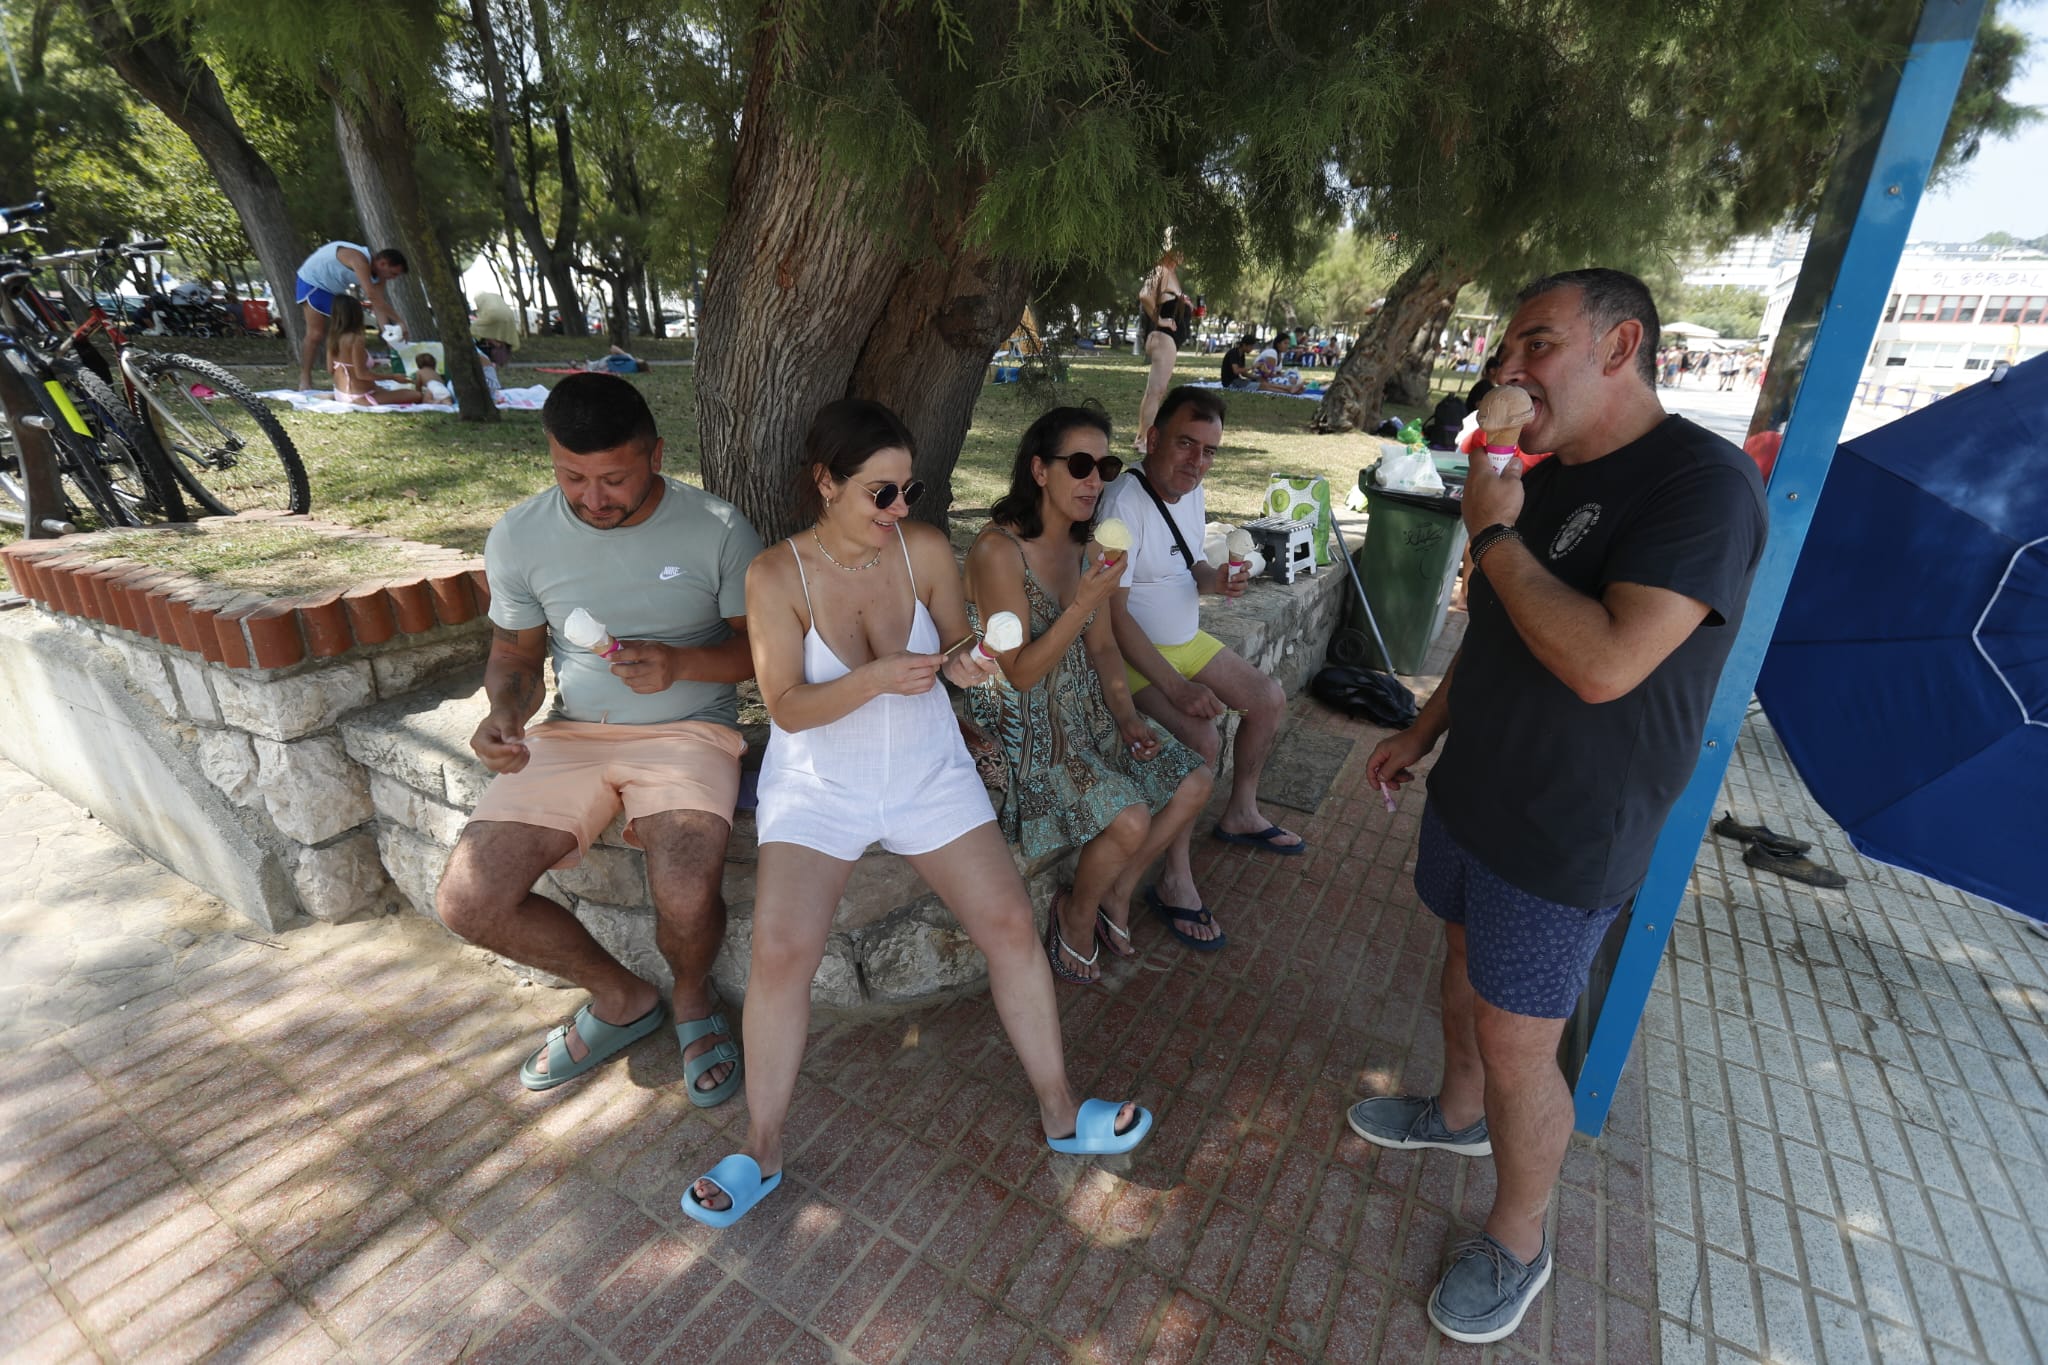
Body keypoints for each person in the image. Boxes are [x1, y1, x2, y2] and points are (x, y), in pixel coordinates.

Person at [1350, 268, 1767, 1345]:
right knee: (1456, 962)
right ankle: (1450, 1119)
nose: (1509, 368)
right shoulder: (1546, 473)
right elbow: (1499, 635)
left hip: (1566, 827)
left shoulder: (1699, 486)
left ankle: (1519, 1241)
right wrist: (1419, 729)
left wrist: (1491, 534)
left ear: (1619, 345)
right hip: (1473, 788)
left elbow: (1603, 665)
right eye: (1506, 349)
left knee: (1519, 1045)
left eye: (1535, 344)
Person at [683, 399, 1151, 1227]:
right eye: (881, 493)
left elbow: (960, 658)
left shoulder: (924, 548)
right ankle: (762, 1145)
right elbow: (786, 707)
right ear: (826, 483)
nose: (900, 510)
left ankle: (1059, 1108)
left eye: (910, 490)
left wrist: (970, 663)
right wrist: (878, 676)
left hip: (929, 770)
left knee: (1009, 923)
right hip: (821, 783)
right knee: (783, 951)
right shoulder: (774, 575)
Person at [434, 373, 763, 1106]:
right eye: (570, 476)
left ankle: (689, 997)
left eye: (613, 476)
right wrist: (505, 713)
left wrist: (682, 663)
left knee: (682, 890)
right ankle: (620, 997)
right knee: (468, 901)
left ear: (655, 454)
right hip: (572, 732)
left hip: (690, 733)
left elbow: (763, 651)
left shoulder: (717, 527)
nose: (592, 497)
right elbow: (516, 658)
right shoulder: (521, 534)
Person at [963, 406, 1214, 983]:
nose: (1094, 480)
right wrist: (1083, 599)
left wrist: (1127, 717)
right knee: (1127, 820)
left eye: (1104, 465)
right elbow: (1020, 673)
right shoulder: (998, 552)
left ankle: (1116, 892)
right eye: (1079, 464)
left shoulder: (1087, 547)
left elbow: (1102, 648)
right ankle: (1076, 915)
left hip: (1088, 713)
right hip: (1028, 726)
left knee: (1195, 779)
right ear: (1039, 471)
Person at [1103, 384, 1304, 903]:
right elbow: (1113, 614)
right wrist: (1175, 688)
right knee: (1204, 739)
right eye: (1186, 444)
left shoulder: (1191, 491)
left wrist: (1217, 579)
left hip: (1186, 640)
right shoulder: (1122, 506)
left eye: (1209, 450)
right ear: (1152, 440)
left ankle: (1240, 812)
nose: (1197, 462)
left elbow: (1190, 565)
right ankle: (1174, 874)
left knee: (1268, 699)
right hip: (1137, 658)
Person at [294, 240, 409, 392]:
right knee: (315, 334)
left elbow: (378, 304)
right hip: (314, 282)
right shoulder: (359, 259)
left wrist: (387, 332)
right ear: (382, 263)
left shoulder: (379, 277)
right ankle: (305, 376)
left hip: (333, 290)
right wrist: (401, 322)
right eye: (393, 273)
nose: (392, 278)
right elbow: (371, 295)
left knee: (349, 332)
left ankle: (349, 376)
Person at [1136, 251, 1192, 454]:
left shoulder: (1170, 273)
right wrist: (1159, 319)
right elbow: (1144, 295)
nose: (1182, 253)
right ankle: (1144, 442)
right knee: (1156, 391)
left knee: (1154, 391)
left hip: (1167, 338)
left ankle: (1141, 436)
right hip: (1163, 337)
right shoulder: (1160, 270)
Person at [325, 297, 425, 406]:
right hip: (360, 396)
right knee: (416, 395)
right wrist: (393, 377)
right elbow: (361, 374)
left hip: (341, 393)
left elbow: (331, 369)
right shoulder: (355, 339)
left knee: (387, 391)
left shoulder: (332, 338)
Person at [472, 291, 520, 367]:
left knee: (474, 330)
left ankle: (491, 360)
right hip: (508, 317)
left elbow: (480, 330)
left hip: (493, 314)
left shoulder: (485, 303)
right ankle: (499, 358)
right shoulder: (496, 300)